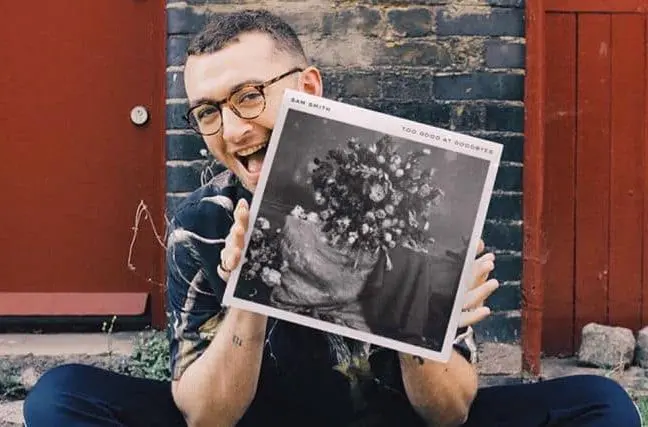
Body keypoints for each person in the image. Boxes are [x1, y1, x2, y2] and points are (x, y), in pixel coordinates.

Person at [23, 9, 641, 427]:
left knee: (600, 404)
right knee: (60, 398)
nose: (232, 130)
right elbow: (207, 415)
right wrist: (251, 293)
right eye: (208, 111)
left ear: (310, 87)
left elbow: (450, 412)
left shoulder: (416, 203)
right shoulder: (206, 221)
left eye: (249, 96)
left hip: (397, 419)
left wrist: (415, 310)